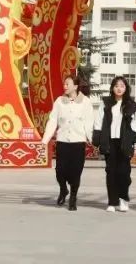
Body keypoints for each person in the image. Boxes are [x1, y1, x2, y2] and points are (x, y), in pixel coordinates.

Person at [40, 75, 94, 211]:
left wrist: (93, 139)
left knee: (76, 173)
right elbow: (53, 121)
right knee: (60, 172)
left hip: (78, 142)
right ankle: (63, 190)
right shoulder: (59, 101)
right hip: (63, 141)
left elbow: (89, 122)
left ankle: (73, 198)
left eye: (67, 84)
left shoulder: (85, 102)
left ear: (75, 86)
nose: (64, 86)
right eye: (64, 84)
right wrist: (45, 139)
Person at [93, 76, 136, 213]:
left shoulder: (131, 105)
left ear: (126, 89)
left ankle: (123, 199)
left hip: (124, 142)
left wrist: (132, 139)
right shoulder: (105, 103)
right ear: (112, 88)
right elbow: (99, 121)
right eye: (116, 86)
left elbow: (135, 124)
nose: (119, 88)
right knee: (111, 172)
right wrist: (97, 139)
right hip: (110, 141)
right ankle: (112, 202)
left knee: (124, 173)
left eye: (122, 86)